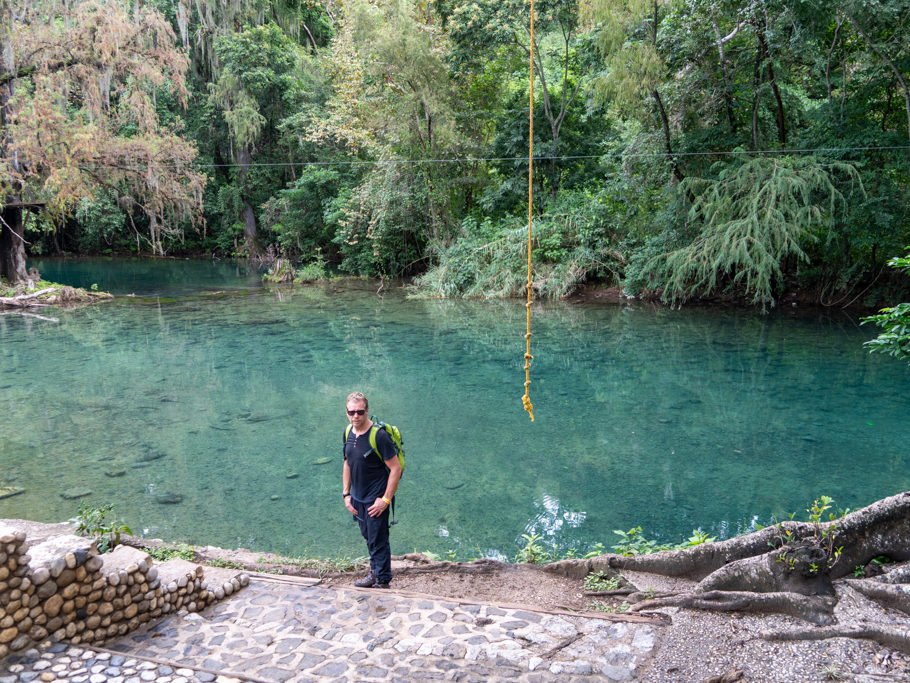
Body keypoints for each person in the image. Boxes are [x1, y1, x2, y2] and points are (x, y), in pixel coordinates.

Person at [341, 391, 401, 588]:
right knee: (369, 537)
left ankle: (382, 581)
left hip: (375, 499)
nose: (355, 416)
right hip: (357, 498)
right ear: (346, 412)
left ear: (367, 411)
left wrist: (385, 500)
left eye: (360, 412)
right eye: (352, 412)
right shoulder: (348, 432)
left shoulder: (379, 436)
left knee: (379, 540)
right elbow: (347, 463)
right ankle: (375, 574)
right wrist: (346, 494)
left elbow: (395, 468)